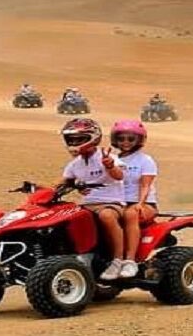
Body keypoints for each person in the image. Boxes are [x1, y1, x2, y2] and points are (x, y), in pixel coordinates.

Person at [57, 118, 126, 280]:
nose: (75, 143)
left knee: (106, 216)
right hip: (87, 205)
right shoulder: (74, 165)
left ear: (93, 138)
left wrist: (109, 165)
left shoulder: (109, 157)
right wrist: (38, 188)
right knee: (69, 217)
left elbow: (119, 176)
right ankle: (84, 253)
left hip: (111, 202)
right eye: (72, 139)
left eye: (80, 139)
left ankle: (118, 260)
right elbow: (61, 183)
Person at [110, 119, 158, 278]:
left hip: (144, 203)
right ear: (115, 140)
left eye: (131, 139)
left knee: (130, 214)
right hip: (119, 202)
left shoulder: (145, 160)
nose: (125, 142)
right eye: (121, 139)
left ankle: (130, 261)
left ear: (139, 140)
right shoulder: (113, 159)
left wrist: (140, 203)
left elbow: (145, 185)